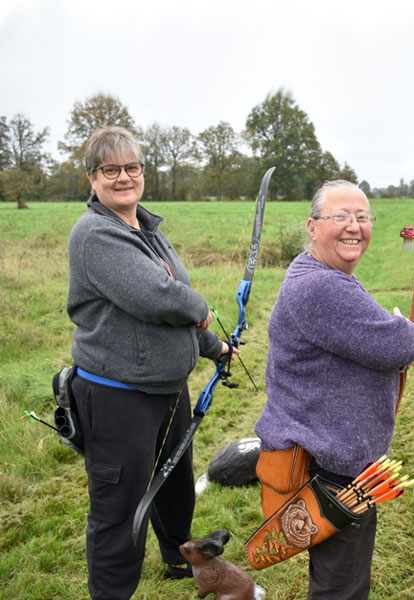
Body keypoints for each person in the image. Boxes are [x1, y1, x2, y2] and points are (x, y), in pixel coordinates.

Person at [68, 126, 232, 599]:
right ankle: (113, 592)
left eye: (132, 167)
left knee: (175, 485)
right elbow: (158, 298)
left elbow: (167, 317)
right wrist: (200, 308)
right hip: (118, 393)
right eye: (110, 170)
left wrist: (213, 348)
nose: (124, 177)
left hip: (165, 387)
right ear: (92, 178)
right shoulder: (96, 233)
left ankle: (178, 559)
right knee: (119, 507)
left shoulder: (146, 227)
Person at [255, 180, 414, 598]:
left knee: (339, 579)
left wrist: (392, 333)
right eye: (340, 216)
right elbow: (401, 345)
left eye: (363, 217)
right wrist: (405, 329)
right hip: (331, 468)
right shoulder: (322, 286)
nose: (354, 226)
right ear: (312, 227)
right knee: (341, 588)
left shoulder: (319, 273)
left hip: (331, 456)